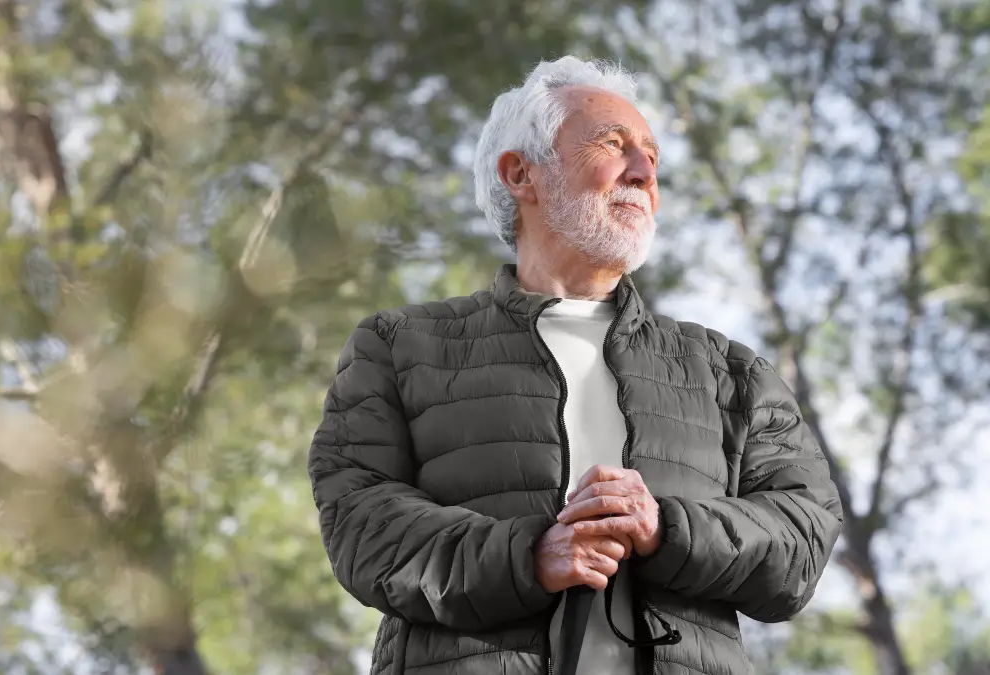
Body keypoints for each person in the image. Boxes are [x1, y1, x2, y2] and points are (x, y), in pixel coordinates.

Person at [306, 56, 843, 675]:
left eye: (652, 156)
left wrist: (665, 526)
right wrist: (530, 556)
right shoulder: (399, 346)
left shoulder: (730, 371)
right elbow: (359, 522)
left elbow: (803, 538)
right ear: (520, 174)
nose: (644, 173)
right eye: (613, 145)